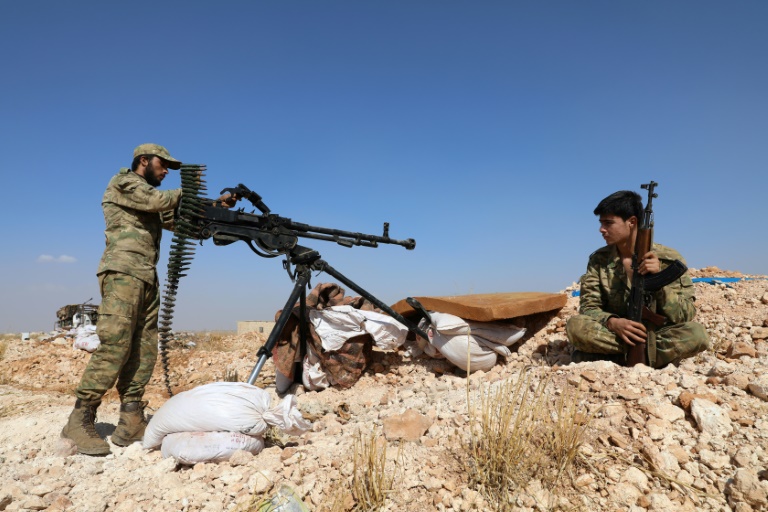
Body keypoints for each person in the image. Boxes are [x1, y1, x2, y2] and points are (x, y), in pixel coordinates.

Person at [61, 143, 235, 455]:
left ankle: (131, 421)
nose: (166, 171)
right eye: (163, 164)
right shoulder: (124, 183)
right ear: (144, 161)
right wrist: (188, 193)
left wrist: (216, 209)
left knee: (144, 348)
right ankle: (79, 419)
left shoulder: (151, 198)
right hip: (122, 272)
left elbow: (178, 220)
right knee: (115, 344)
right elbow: (158, 201)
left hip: (146, 275)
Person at [566, 190, 709, 368]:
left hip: (656, 335)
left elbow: (685, 314)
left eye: (608, 223)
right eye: (601, 223)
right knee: (575, 326)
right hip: (617, 333)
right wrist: (613, 322)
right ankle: (649, 358)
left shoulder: (668, 258)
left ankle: (615, 359)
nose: (601, 229)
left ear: (632, 222)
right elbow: (589, 307)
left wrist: (658, 281)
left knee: (697, 334)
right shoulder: (599, 260)